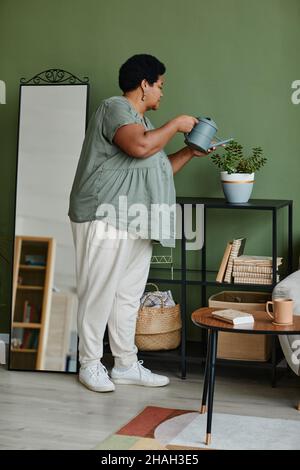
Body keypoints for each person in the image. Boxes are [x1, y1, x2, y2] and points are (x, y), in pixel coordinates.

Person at [68, 54, 214, 392]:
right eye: (160, 86)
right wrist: (177, 123)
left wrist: (190, 152)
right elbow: (138, 147)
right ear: (144, 84)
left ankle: (125, 364)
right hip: (104, 214)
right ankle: (89, 364)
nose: (162, 93)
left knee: (127, 296)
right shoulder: (116, 108)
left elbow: (159, 168)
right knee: (98, 292)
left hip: (135, 219)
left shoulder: (147, 127)